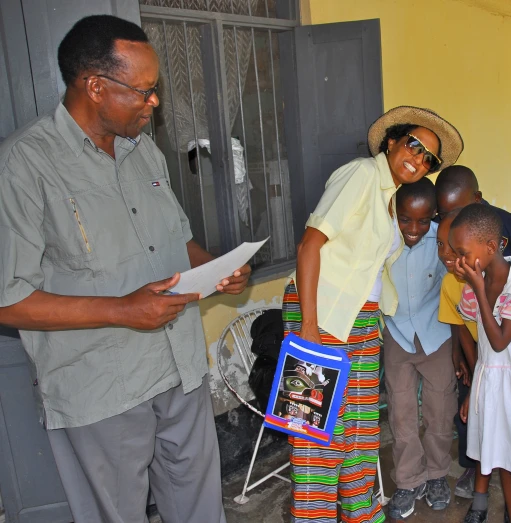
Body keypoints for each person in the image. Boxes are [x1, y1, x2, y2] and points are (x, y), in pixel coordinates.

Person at [0, 15, 251, 523]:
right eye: (144, 91)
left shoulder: (144, 152)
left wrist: (218, 269)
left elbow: (178, 240)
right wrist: (121, 310)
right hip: (102, 388)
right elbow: (10, 300)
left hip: (178, 367)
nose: (154, 103)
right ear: (94, 86)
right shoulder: (25, 166)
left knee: (200, 509)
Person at [284, 105, 463, 523]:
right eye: (414, 146)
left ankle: (362, 515)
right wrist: (308, 327)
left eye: (428, 159)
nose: (417, 160)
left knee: (361, 433)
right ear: (391, 142)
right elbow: (310, 244)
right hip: (323, 318)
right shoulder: (362, 174)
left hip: (362, 322)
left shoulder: (389, 197)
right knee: (315, 436)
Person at [451, 204, 511, 523]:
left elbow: (499, 341)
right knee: (505, 459)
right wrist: (473, 392)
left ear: (491, 247)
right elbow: (482, 345)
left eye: (463, 252)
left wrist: (480, 290)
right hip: (491, 382)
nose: (457, 261)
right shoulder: (473, 289)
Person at [383, 178, 456, 519]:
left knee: (440, 407)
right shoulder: (383, 239)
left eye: (422, 220)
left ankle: (438, 473)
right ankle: (410, 479)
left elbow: (454, 285)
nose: (413, 228)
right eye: (405, 219)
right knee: (401, 411)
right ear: (393, 213)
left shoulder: (443, 239)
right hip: (397, 333)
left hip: (436, 332)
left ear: (434, 215)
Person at [436, 210, 480, 499]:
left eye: (454, 246)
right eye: (440, 245)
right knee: (466, 410)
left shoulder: (493, 277)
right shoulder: (450, 283)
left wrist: (482, 380)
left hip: (508, 357)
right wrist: (468, 364)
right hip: (476, 352)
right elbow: (461, 325)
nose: (447, 255)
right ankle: (473, 465)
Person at [435, 165, 511, 273]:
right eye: (444, 214)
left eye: (459, 213)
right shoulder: (435, 224)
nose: (452, 221)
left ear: (477, 198)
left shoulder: (506, 224)